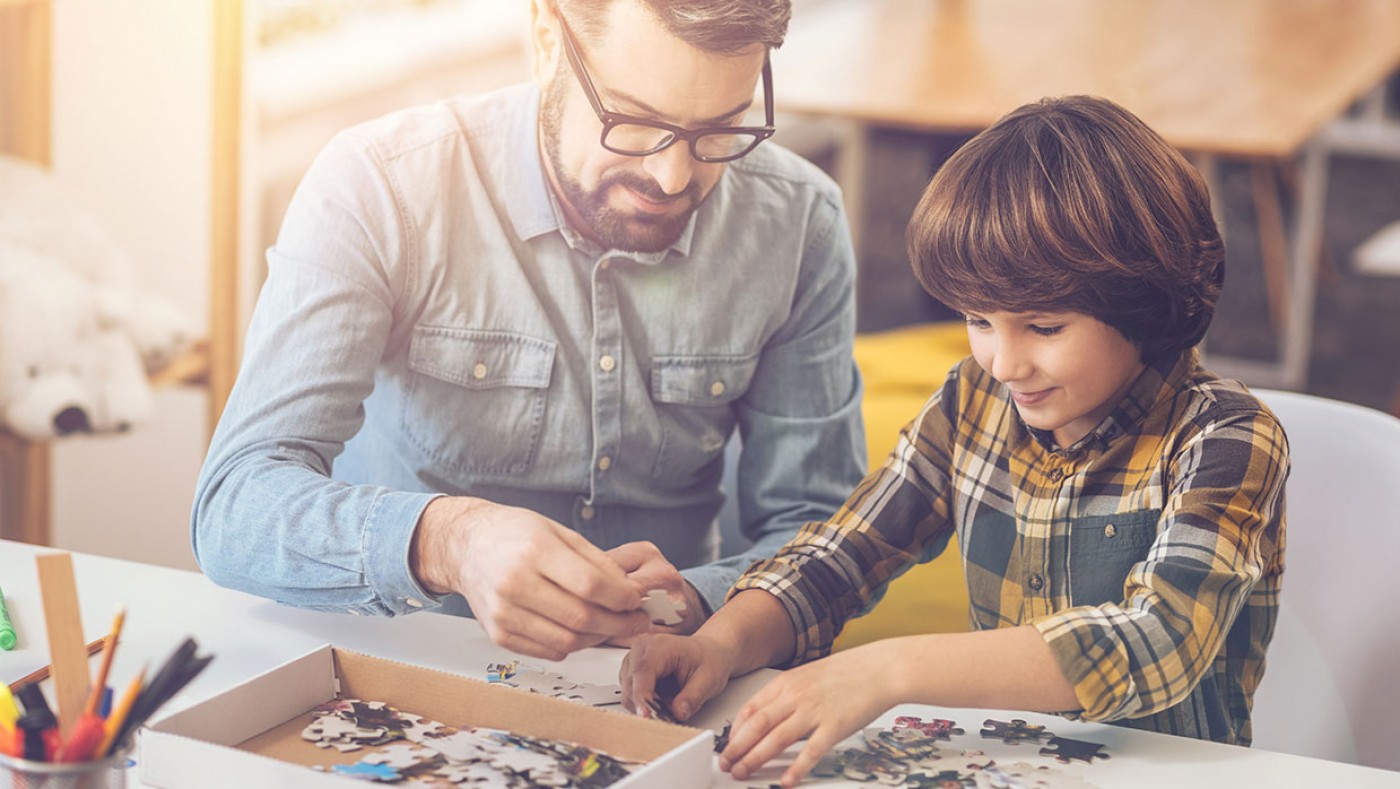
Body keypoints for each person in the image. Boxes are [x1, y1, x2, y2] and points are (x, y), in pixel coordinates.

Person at [620, 95, 1289, 787]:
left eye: (1044, 327)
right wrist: (719, 642)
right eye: (977, 319)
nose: (1003, 362)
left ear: (1142, 300)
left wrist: (888, 668)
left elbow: (1161, 639)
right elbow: (843, 553)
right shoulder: (974, 398)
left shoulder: (1227, 435)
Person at [191, 0, 866, 661]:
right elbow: (234, 507)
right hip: (408, 678)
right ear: (547, 36)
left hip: (669, 694)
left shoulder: (799, 224)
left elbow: (823, 534)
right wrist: (449, 542)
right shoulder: (382, 187)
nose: (674, 176)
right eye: (637, 123)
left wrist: (699, 600)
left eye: (721, 131)